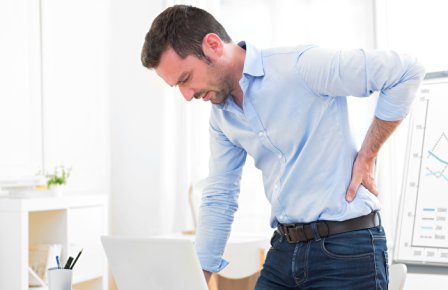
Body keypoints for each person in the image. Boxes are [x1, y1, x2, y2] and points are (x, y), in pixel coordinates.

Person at [141, 5, 425, 290]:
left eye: (186, 79)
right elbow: (220, 196)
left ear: (213, 45)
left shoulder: (300, 66)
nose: (187, 96)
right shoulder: (222, 117)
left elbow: (405, 72)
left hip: (347, 247)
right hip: (285, 250)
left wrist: (368, 153)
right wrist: (196, 281)